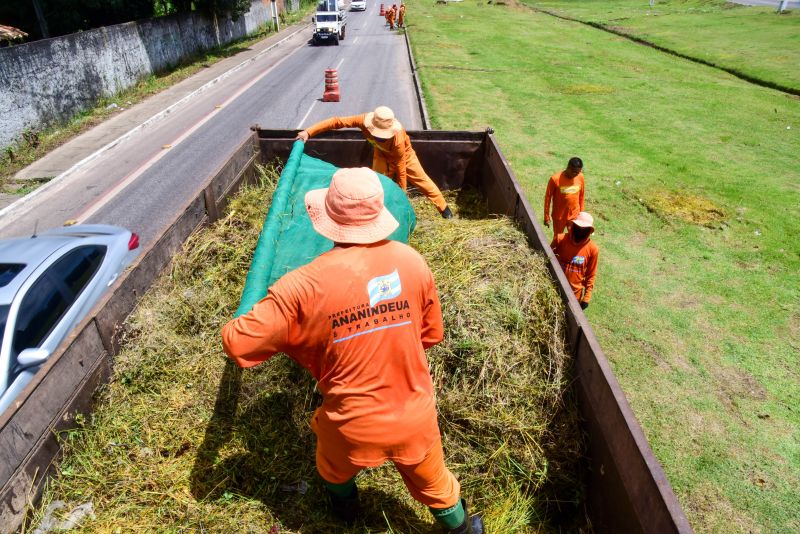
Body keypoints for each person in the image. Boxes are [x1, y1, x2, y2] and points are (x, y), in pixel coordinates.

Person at [221, 167, 483, 533]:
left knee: (333, 469)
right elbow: (429, 335)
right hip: (415, 417)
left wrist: (251, 306)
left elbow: (237, 342)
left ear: (327, 217)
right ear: (379, 214)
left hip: (350, 425)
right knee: (438, 487)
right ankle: (464, 527)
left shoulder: (300, 286)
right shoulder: (412, 262)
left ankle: (346, 512)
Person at [297, 106, 454, 218]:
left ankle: (444, 209)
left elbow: (401, 167)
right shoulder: (362, 120)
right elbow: (336, 122)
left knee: (424, 182)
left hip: (405, 159)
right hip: (381, 155)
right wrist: (308, 132)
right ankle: (376, 214)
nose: (380, 137)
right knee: (376, 184)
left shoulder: (398, 137)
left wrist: (402, 192)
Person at [550, 211, 599, 310]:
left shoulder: (593, 249)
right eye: (579, 227)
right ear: (574, 226)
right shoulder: (560, 239)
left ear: (589, 230)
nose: (581, 230)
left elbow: (591, 274)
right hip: (552, 287)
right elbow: (547, 257)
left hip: (573, 296)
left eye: (584, 229)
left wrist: (586, 298)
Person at [543, 157, 585, 236]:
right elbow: (548, 198)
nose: (576, 174)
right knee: (558, 238)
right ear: (568, 167)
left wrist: (581, 214)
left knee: (574, 237)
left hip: (574, 215)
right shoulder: (555, 179)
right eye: (574, 172)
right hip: (559, 216)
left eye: (578, 172)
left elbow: (582, 196)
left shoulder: (580, 177)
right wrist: (546, 216)